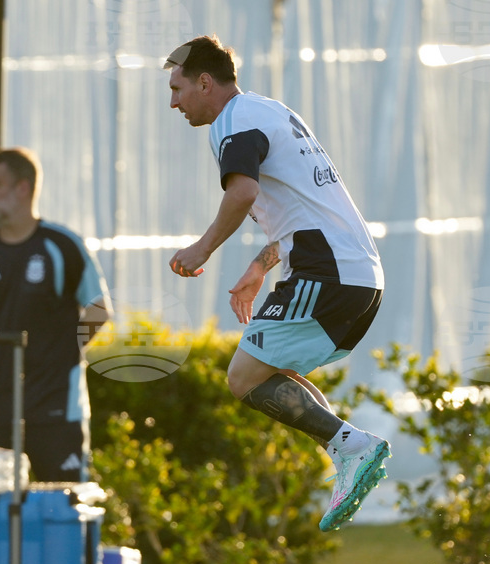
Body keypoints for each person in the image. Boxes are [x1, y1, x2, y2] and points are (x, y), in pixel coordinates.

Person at [164, 36, 389, 532]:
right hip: (355, 276)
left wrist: (202, 248)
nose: (174, 103)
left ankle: (353, 447)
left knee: (242, 378)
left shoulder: (233, 121)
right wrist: (261, 266)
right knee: (270, 372)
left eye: (178, 89)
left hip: (327, 273)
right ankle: (347, 453)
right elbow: (301, 209)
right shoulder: (269, 111)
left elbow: (243, 192)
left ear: (205, 82)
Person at [0, 147, 112, 482]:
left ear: (23, 188)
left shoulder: (63, 245)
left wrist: (64, 352)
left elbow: (99, 309)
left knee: (61, 502)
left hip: (57, 405)